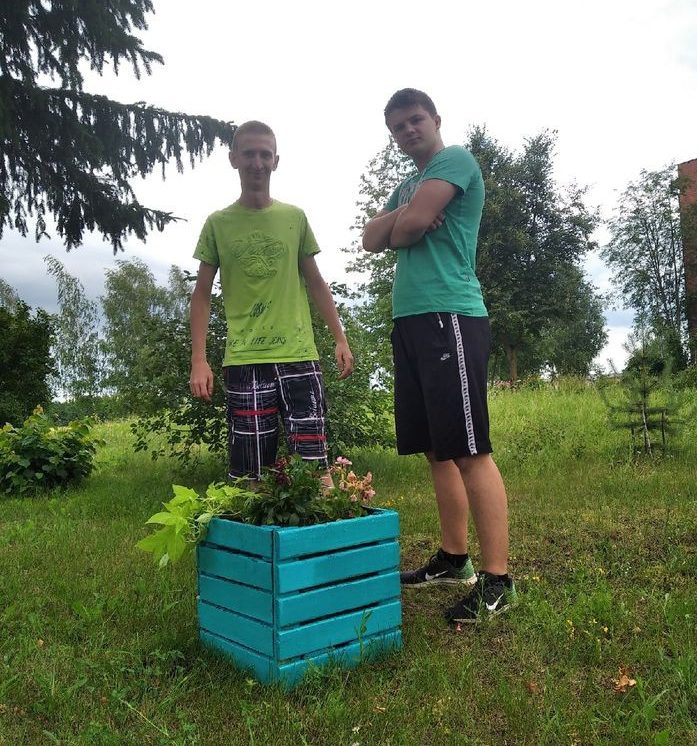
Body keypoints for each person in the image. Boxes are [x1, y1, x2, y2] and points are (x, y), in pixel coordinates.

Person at [362, 89, 515, 623]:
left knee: (470, 450)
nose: (407, 131)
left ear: (435, 119)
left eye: (415, 120)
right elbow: (371, 238)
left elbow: (401, 230)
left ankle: (498, 581)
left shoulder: (456, 161)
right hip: (410, 320)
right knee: (436, 450)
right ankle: (454, 559)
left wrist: (403, 222)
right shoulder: (409, 185)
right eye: (397, 127)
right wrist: (408, 214)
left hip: (450, 314)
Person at [189, 120, 353, 483]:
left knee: (315, 469)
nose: (257, 163)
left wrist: (339, 338)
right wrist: (199, 360)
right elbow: (201, 294)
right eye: (249, 154)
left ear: (276, 161)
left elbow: (315, 282)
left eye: (265, 155)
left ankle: (320, 524)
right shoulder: (218, 223)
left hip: (299, 356)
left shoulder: (294, 218)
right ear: (233, 158)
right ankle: (254, 522)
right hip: (245, 361)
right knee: (250, 477)